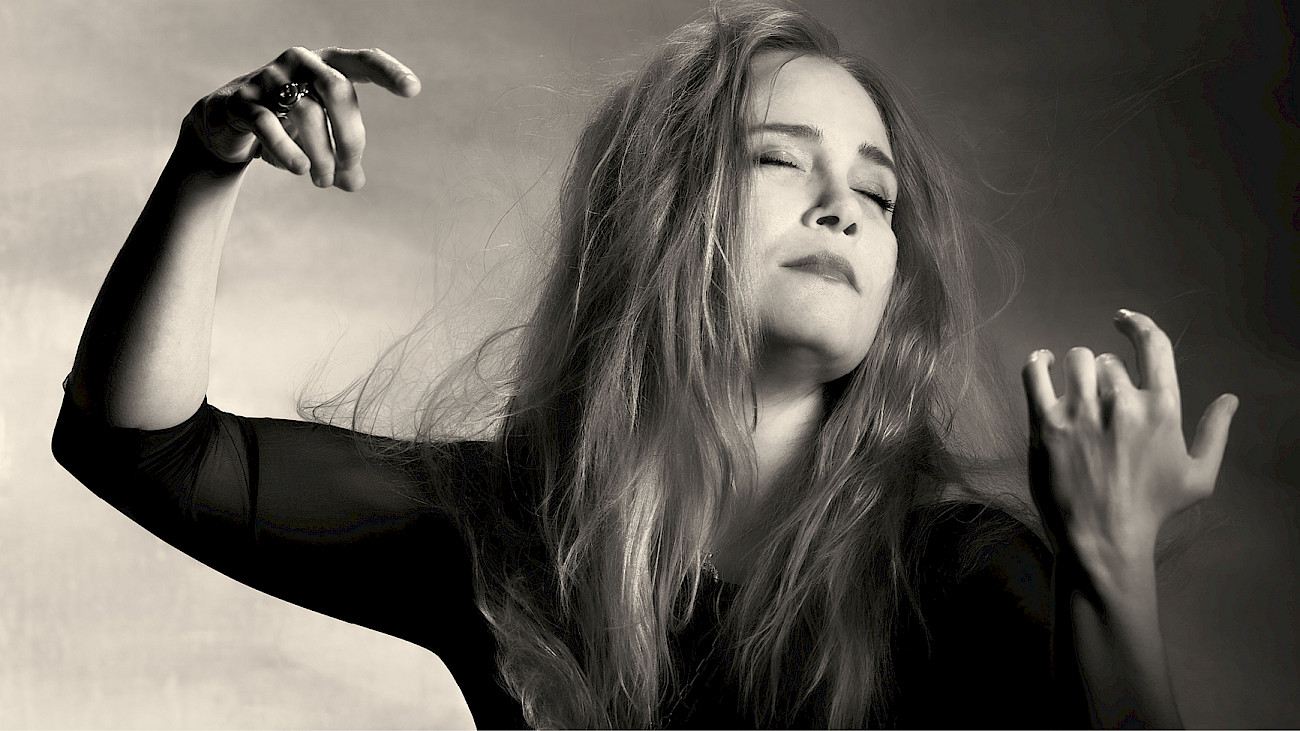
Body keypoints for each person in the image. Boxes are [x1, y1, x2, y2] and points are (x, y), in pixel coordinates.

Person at [53, 3, 1238, 728]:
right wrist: (207, 162)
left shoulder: (958, 572)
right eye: (780, 159)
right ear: (652, 215)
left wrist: (1107, 565)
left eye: (876, 194)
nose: (844, 208)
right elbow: (139, 448)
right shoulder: (505, 531)